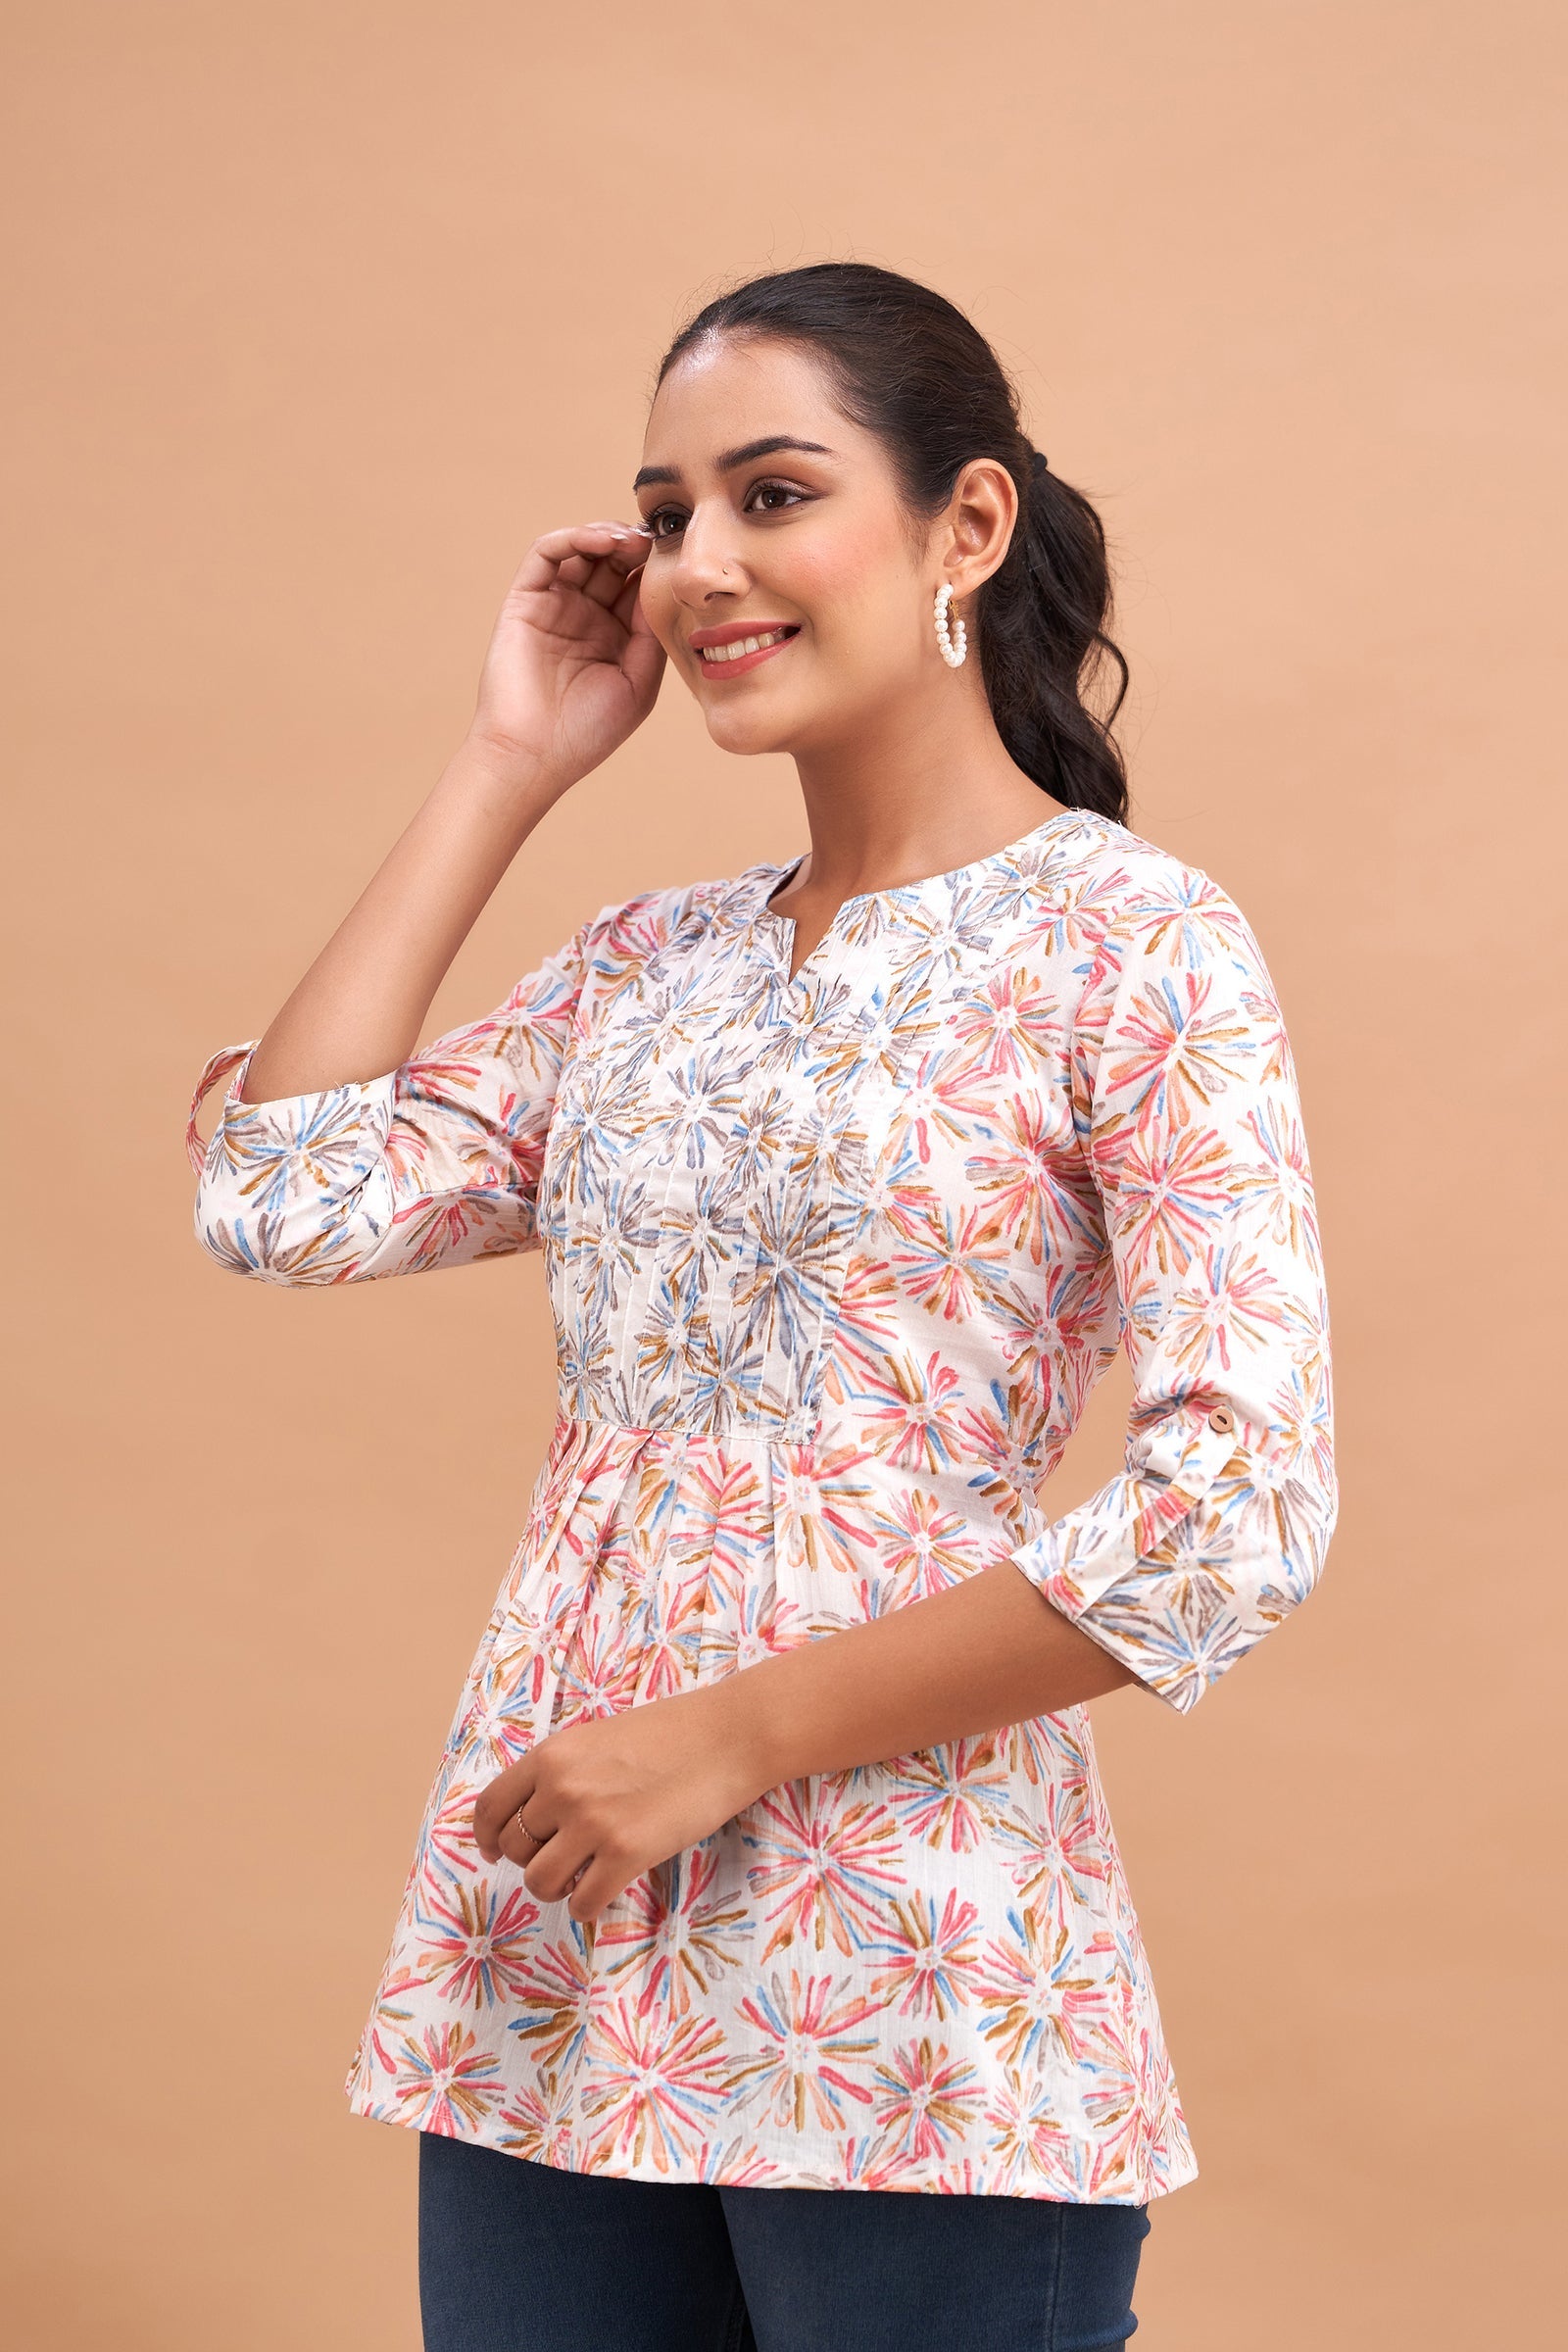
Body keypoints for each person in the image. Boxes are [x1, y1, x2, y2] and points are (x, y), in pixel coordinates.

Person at [186, 261, 1337, 2352]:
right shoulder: (647, 966)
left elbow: (1232, 1514)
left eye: (772, 494)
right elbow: (283, 1198)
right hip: (555, 1961)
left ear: (963, 526)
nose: (697, 563)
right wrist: (510, 759)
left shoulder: (1127, 941)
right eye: (665, 514)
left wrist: (716, 1743)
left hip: (902, 1969)